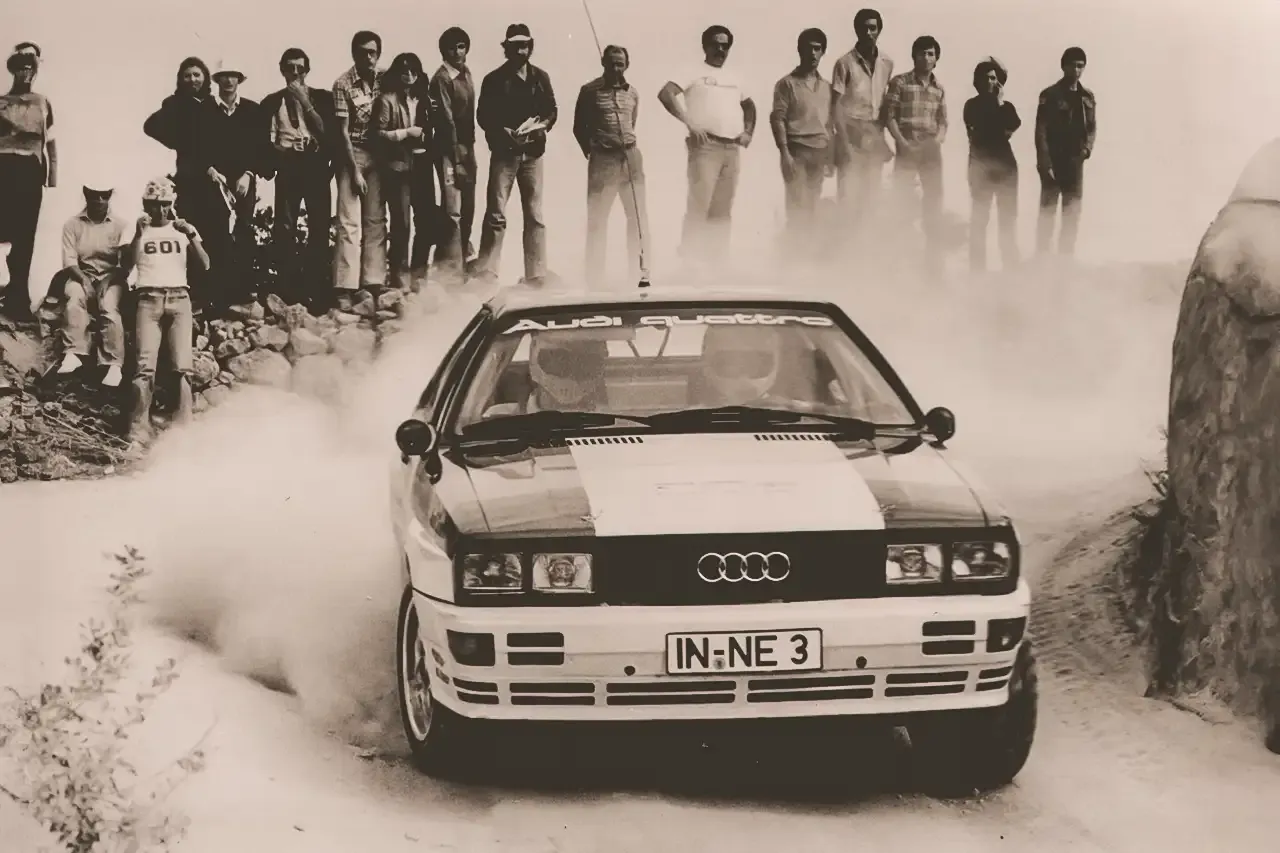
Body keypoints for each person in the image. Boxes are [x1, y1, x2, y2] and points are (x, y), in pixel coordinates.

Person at [658, 25, 756, 267]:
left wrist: (748, 132)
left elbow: (750, 106)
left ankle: (717, 263)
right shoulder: (693, 71)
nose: (720, 50)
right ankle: (691, 262)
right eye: (715, 44)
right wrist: (689, 122)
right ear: (705, 46)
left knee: (722, 209)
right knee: (699, 204)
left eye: (725, 45)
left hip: (731, 148)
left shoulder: (735, 77)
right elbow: (666, 94)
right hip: (706, 147)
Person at [127, 177, 210, 445]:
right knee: (144, 367)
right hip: (148, 298)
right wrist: (137, 235)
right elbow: (126, 266)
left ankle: (184, 426)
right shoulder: (140, 230)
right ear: (146, 205)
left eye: (164, 204)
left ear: (171, 204)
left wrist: (193, 234)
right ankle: (138, 428)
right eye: (154, 204)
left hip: (179, 298)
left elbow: (205, 264)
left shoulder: (181, 230)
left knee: (183, 366)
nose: (160, 210)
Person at [475, 24, 558, 286]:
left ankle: (536, 273)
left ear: (530, 47)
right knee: (496, 212)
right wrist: (503, 131)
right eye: (515, 46)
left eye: (525, 45)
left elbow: (551, 110)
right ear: (507, 48)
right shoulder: (493, 79)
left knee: (534, 214)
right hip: (504, 153)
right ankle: (487, 271)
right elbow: (483, 115)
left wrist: (542, 126)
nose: (521, 51)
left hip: (533, 154)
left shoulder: (541, 77)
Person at [259, 48, 337, 310]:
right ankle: (287, 289)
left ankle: (317, 290)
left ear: (307, 70)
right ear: (282, 69)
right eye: (290, 68)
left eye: (300, 68)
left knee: (319, 227)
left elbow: (329, 133)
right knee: (285, 228)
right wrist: (284, 152)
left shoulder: (322, 98)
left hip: (316, 168)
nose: (295, 73)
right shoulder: (271, 102)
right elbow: (265, 142)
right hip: (288, 167)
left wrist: (305, 102)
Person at [573, 44, 651, 286]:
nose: (616, 69)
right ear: (603, 63)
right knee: (597, 220)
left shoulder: (633, 93)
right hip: (603, 160)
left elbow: (632, 123)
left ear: (627, 65)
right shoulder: (589, 91)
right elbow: (579, 127)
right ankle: (594, 278)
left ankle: (639, 274)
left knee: (637, 218)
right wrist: (594, 152)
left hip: (631, 159)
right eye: (611, 64)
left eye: (620, 64)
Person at [196, 58, 267, 310]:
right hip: (214, 179)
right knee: (216, 231)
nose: (228, 80)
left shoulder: (252, 110)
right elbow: (196, 145)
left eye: (233, 75)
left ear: (239, 79)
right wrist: (210, 169)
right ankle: (218, 293)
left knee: (244, 229)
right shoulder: (204, 109)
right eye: (223, 76)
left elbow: (259, 146)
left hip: (243, 180)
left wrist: (248, 173)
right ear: (217, 80)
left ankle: (245, 288)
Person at [143, 57, 215, 301]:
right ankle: (191, 293)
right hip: (188, 176)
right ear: (180, 79)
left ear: (205, 77)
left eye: (197, 74)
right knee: (188, 230)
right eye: (187, 75)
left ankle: (211, 295)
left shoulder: (212, 104)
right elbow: (150, 126)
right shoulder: (175, 103)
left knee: (212, 233)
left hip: (212, 177)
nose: (192, 79)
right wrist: (179, 142)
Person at [51, 175, 129, 387]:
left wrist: (106, 281)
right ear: (86, 195)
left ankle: (113, 364)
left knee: (109, 306)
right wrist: (85, 282)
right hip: (81, 274)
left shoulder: (121, 225)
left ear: (110, 196)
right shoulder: (72, 224)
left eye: (104, 196)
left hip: (111, 278)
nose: (100, 201)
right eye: (95, 196)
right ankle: (74, 352)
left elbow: (125, 265)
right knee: (74, 298)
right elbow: (69, 260)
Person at [0, 45, 56, 323]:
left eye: (30, 68)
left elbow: (51, 141)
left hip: (31, 171)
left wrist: (52, 175)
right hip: (3, 168)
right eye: (21, 67)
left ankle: (18, 299)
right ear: (12, 69)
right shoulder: (2, 102)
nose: (26, 73)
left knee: (25, 237)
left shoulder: (43, 102)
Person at [333, 30, 388, 309]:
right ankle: (345, 286)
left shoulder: (385, 78)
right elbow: (342, 131)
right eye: (364, 52)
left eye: (373, 52)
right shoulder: (342, 83)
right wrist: (354, 170)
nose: (369, 57)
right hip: (351, 153)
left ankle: (373, 281)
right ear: (354, 54)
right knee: (348, 220)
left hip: (379, 153)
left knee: (376, 219)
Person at [373, 52, 437, 292]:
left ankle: (419, 277)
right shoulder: (386, 100)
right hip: (398, 168)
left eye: (413, 71)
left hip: (422, 166)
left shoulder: (424, 99)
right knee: (401, 224)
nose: (409, 75)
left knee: (426, 222)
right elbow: (377, 135)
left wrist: (427, 135)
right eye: (404, 71)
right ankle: (399, 281)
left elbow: (432, 130)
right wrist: (405, 133)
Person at [884, 35, 948, 273]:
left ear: (936, 59)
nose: (926, 58)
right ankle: (899, 264)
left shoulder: (939, 88)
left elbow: (943, 121)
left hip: (930, 149)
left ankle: (933, 267)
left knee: (933, 206)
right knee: (902, 203)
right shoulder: (900, 82)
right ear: (914, 56)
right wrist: (902, 143)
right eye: (922, 53)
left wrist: (936, 142)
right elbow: (889, 116)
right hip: (907, 145)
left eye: (931, 54)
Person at [829, 9, 894, 238]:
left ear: (879, 30)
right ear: (856, 30)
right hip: (851, 132)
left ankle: (867, 248)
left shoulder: (887, 63)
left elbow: (883, 101)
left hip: (873, 133)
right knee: (848, 195)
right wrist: (844, 142)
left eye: (873, 28)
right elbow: (836, 105)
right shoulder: (844, 63)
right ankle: (845, 247)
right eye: (864, 28)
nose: (868, 33)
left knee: (872, 195)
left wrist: (881, 135)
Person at [770, 29, 834, 261]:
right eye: (809, 48)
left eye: (818, 49)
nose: (813, 53)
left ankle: (810, 259)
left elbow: (830, 123)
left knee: (814, 207)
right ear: (800, 50)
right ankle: (794, 259)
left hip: (820, 150)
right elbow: (777, 119)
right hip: (796, 150)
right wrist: (785, 153)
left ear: (823, 52)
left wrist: (830, 156)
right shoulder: (786, 84)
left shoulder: (827, 87)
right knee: (797, 207)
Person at [1035, 46, 1096, 258]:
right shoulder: (1050, 95)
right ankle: (1042, 259)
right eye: (1072, 66)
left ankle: (1065, 262)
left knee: (1072, 214)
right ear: (1064, 66)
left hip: (1075, 162)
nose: (1076, 71)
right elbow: (1041, 131)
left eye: (1080, 66)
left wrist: (1087, 149)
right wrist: (1045, 163)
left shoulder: (1087, 96)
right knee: (1047, 213)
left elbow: (1091, 127)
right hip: (1054, 160)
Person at [429, 27, 478, 286]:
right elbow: (446, 122)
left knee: (469, 205)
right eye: (452, 48)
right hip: (448, 150)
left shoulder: (466, 73)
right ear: (443, 51)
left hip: (468, 146)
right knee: (452, 209)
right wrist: (457, 160)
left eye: (461, 46)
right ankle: (451, 271)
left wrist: (469, 152)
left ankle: (461, 262)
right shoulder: (441, 79)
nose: (457, 52)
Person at [964, 56, 1021, 272]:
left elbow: (1009, 127)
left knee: (1008, 221)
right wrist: (997, 110)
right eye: (988, 78)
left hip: (1006, 169)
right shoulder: (971, 105)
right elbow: (986, 130)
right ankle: (977, 272)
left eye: (995, 78)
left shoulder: (1006, 106)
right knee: (979, 221)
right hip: (981, 168)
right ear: (978, 81)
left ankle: (1011, 270)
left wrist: (999, 103)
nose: (992, 82)